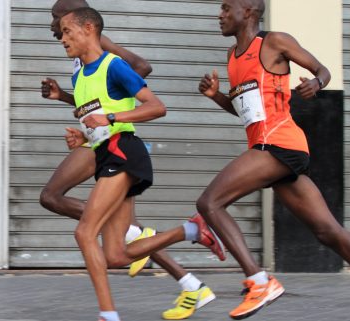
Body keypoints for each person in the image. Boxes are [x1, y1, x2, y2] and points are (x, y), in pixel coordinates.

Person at [196, 0, 350, 319]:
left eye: (225, 8)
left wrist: (316, 83)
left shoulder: (274, 42)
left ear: (247, 12)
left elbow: (322, 70)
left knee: (210, 203)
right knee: (327, 232)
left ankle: (259, 282)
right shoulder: (232, 58)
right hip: (267, 147)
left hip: (278, 144)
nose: (219, 15)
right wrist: (217, 96)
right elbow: (246, 112)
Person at [41, 1, 218, 319]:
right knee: (117, 255)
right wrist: (80, 132)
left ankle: (108, 315)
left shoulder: (109, 61)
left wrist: (112, 115)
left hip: (122, 150)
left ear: (85, 27)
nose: (58, 31)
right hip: (103, 150)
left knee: (83, 231)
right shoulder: (78, 73)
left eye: (62, 25)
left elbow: (155, 102)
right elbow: (92, 111)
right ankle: (190, 232)